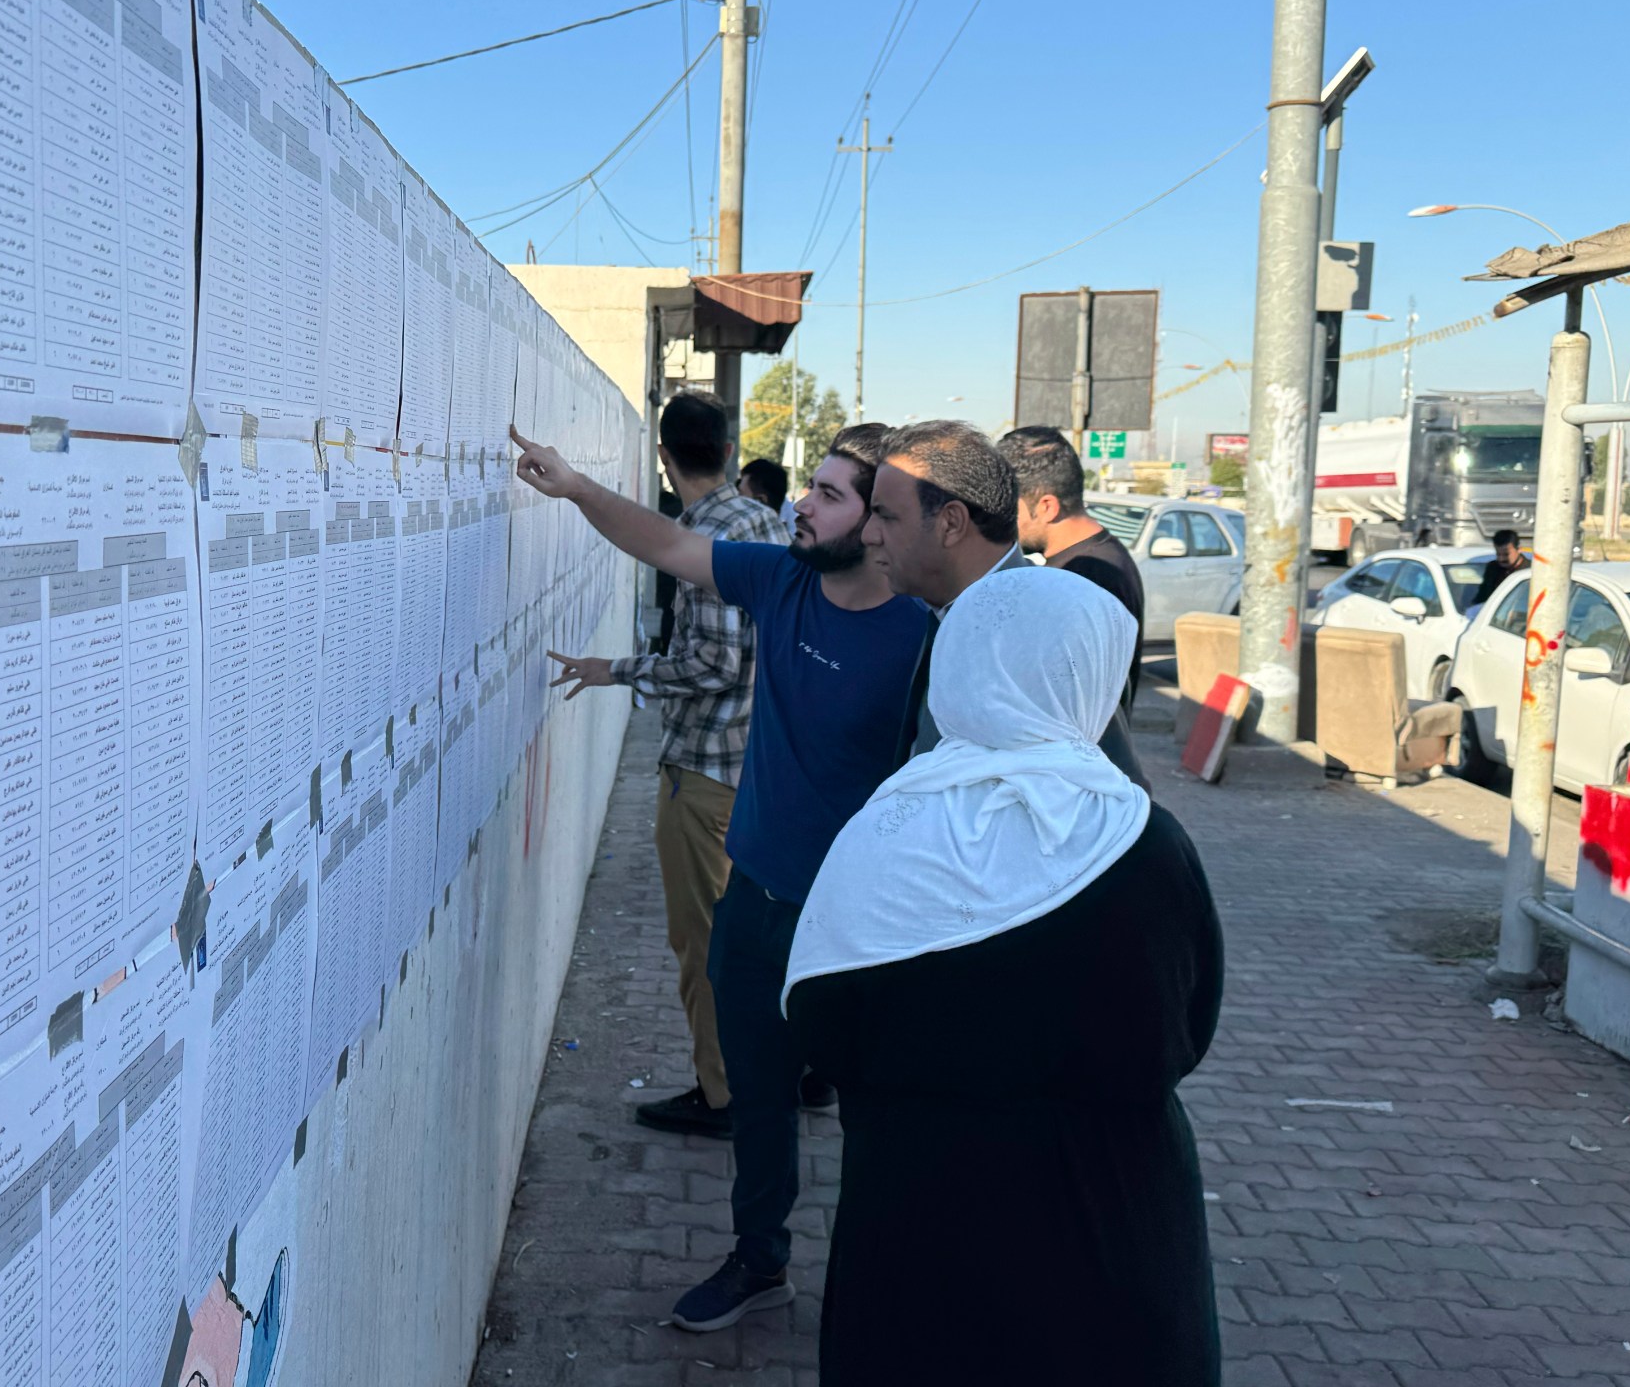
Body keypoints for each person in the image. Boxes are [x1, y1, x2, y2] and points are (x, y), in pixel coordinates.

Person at [511, 420, 928, 1333]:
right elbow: (664, 540)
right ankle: (760, 1258)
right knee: (759, 1095)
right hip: (758, 899)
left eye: (827, 494)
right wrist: (577, 487)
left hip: (864, 925)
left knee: (881, 1113)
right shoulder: (781, 579)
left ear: (878, 520)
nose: (802, 506)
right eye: (807, 487)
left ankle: (882, 1283)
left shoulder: (924, 637)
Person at [782, 567, 1224, 1385]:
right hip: (1112, 1236)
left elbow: (819, 1021)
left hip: (920, 1230)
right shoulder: (1145, 843)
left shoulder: (888, 831)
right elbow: (1185, 1030)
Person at [546, 392, 789, 1139]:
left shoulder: (710, 534)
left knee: (705, 947)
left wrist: (615, 669)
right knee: (743, 942)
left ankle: (725, 1097)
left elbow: (712, 661)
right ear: (726, 449)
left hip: (707, 777)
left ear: (664, 456)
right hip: (753, 767)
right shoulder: (760, 518)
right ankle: (763, 1079)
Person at [862, 421, 1149, 789]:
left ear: (950, 523)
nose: (869, 535)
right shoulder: (940, 608)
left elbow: (1112, 791)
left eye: (886, 516)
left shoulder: (1045, 626)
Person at [1001, 425, 1146, 707]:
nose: (1002, 520)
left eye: (1009, 508)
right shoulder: (1099, 559)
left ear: (1047, 507)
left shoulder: (1088, 576)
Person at [1474, 528, 1527, 605]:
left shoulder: (1529, 571)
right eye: (1498, 554)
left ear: (1519, 549)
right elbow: (1482, 597)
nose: (1501, 559)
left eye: (1506, 554)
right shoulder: (1493, 568)